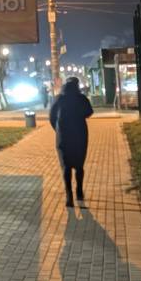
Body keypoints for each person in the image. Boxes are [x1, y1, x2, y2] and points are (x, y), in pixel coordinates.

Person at [49, 77, 94, 207]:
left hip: (63, 137)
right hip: (80, 136)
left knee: (66, 166)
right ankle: (79, 192)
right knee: (79, 166)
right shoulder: (81, 98)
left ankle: (69, 196)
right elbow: (89, 112)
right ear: (77, 85)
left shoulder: (58, 99)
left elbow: (51, 117)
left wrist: (58, 130)